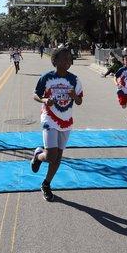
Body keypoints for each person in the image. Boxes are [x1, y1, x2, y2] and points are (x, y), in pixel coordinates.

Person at [31, 47, 83, 202]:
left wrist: (74, 96)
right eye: (64, 58)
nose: (67, 61)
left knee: (58, 156)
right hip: (49, 117)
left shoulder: (75, 80)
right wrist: (44, 100)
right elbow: (35, 94)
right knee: (51, 156)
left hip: (66, 120)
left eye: (69, 58)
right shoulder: (47, 77)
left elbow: (79, 101)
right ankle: (38, 156)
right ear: (55, 61)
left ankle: (46, 184)